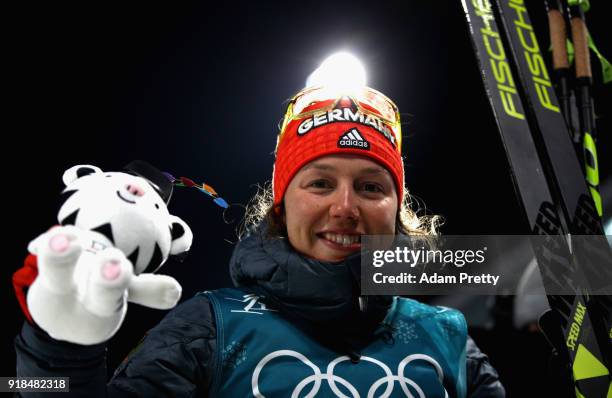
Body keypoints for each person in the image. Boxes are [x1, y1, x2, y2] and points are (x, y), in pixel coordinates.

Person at [14, 84, 505, 397]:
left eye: (371, 187)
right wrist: (55, 353)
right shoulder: (211, 324)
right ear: (281, 204)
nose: (345, 207)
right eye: (320, 183)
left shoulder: (447, 334)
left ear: (396, 209)